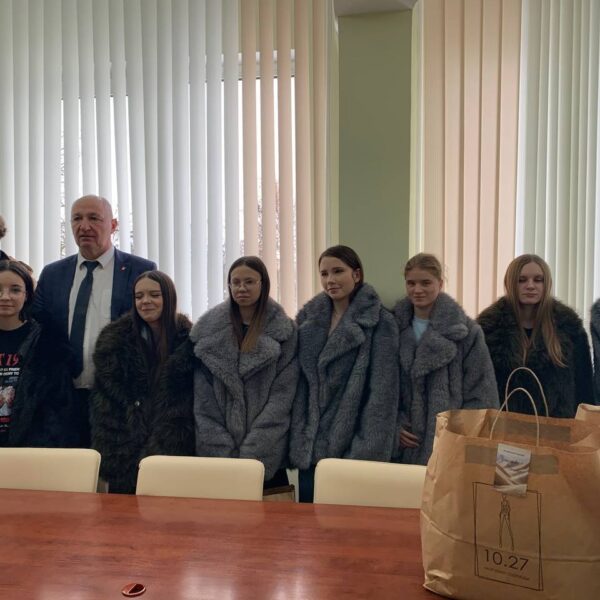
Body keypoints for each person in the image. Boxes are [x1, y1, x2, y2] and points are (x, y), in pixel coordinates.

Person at [33, 195, 156, 446]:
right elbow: (39, 329)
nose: (84, 226)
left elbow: (151, 329)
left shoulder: (140, 270)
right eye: (77, 219)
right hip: (62, 398)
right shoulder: (52, 274)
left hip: (118, 398)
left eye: (94, 218)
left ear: (113, 225)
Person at [289, 245, 399, 502]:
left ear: (356, 275)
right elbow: (297, 384)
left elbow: (382, 394)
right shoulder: (306, 320)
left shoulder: (380, 323)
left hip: (353, 447)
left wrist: (365, 450)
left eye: (338, 271)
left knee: (348, 522)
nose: (330, 280)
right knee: (309, 519)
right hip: (311, 447)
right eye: (324, 273)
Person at [191, 256, 298, 489]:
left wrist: (255, 450)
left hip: (267, 453)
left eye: (249, 282)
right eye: (235, 282)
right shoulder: (207, 334)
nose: (241, 288)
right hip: (218, 455)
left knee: (270, 511)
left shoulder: (285, 332)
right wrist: (222, 449)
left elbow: (282, 397)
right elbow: (203, 401)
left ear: (263, 284)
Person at [89, 271, 194, 494]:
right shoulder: (114, 344)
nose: (145, 301)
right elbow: (105, 408)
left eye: (154, 295)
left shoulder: (189, 343)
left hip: (175, 452)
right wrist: (120, 452)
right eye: (139, 296)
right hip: (124, 452)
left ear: (169, 298)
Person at [394, 253, 498, 465]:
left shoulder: (467, 333)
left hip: (449, 449)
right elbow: (380, 388)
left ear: (440, 284)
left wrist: (456, 435)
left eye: (426, 283)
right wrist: (393, 426)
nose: (417, 290)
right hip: (401, 450)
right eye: (411, 283)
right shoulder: (391, 329)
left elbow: (482, 394)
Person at [478, 254, 594, 417]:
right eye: (522, 280)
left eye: (538, 280)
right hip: (501, 425)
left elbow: (584, 387)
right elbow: (476, 385)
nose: (530, 286)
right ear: (509, 283)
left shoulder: (569, 327)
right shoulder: (487, 329)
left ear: (547, 284)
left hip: (557, 426)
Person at [0, 260, 75, 447]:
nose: (5, 297)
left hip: (31, 451)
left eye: (15, 290)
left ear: (26, 295)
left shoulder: (49, 343)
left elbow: (57, 409)